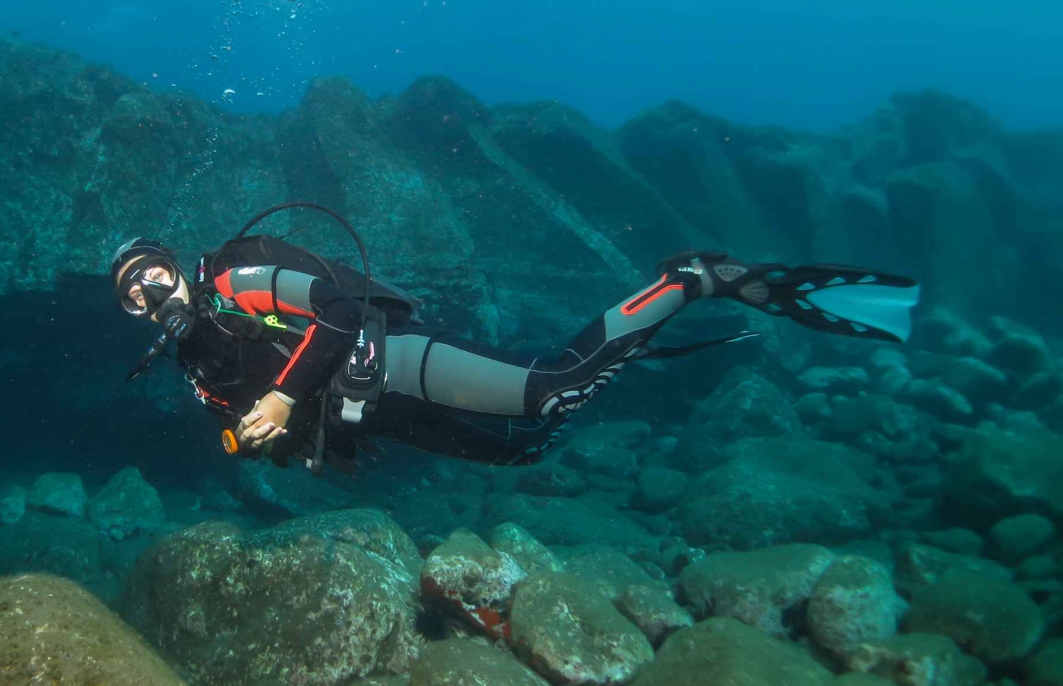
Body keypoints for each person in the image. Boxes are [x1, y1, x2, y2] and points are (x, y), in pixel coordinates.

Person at [110, 224, 919, 469]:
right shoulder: (190, 356)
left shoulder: (234, 281)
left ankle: (691, 279)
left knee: (552, 390)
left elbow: (337, 309)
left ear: (173, 262)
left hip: (392, 360)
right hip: (370, 415)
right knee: (519, 452)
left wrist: (285, 397)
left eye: (151, 273)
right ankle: (633, 362)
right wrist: (265, 434)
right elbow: (259, 432)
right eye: (132, 295)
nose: (149, 293)